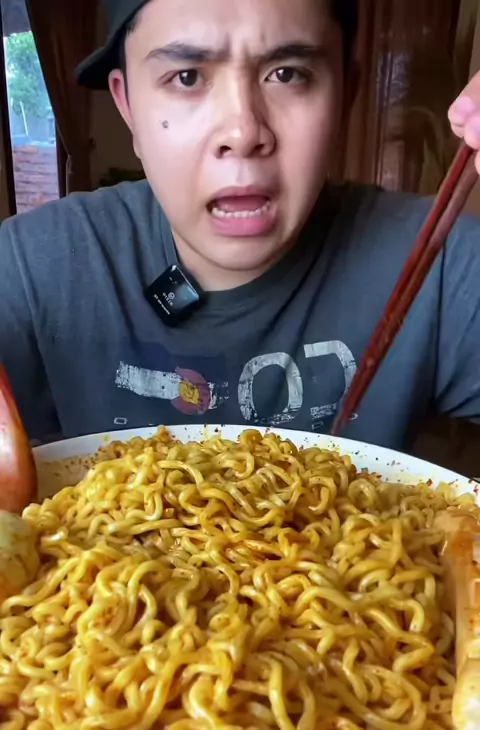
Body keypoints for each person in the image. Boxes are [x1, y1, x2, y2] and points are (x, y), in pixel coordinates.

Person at [1, 0, 480, 451]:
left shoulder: (438, 264)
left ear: (345, 96)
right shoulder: (33, 269)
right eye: (187, 77)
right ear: (127, 107)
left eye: (288, 74)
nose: (243, 132)